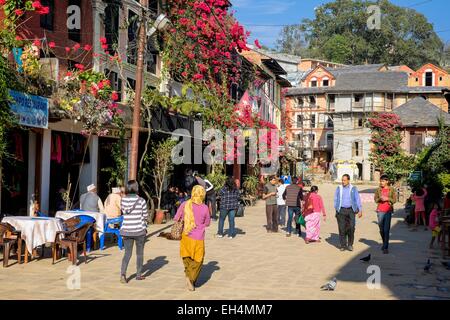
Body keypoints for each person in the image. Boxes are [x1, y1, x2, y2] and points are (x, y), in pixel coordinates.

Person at [174, 185, 211, 291]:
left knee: (187, 257)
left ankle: (188, 276)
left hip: (186, 236)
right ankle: (191, 278)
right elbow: (207, 223)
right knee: (198, 260)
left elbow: (176, 218)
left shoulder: (184, 204)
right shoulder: (205, 208)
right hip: (198, 238)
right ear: (202, 194)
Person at [120, 180, 148, 283]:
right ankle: (138, 275)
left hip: (126, 230)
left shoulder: (122, 200)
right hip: (139, 231)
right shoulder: (141, 201)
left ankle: (123, 274)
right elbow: (145, 216)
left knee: (127, 253)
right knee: (139, 254)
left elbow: (123, 212)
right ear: (136, 188)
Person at [334, 174, 362, 252]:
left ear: (348, 180)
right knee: (342, 228)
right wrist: (336, 208)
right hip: (341, 210)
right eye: (342, 180)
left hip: (351, 210)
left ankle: (350, 244)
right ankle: (343, 245)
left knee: (351, 227)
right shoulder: (339, 188)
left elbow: (357, 199)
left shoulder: (353, 188)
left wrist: (360, 209)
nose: (343, 182)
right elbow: (335, 198)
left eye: (345, 180)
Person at [374, 175, 397, 254]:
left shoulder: (392, 189)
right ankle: (384, 242)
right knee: (381, 229)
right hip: (380, 210)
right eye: (380, 181)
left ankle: (386, 247)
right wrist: (380, 199)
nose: (381, 183)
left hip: (388, 211)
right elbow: (375, 199)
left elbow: (394, 200)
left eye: (383, 181)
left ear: (387, 181)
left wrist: (387, 199)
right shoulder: (378, 190)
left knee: (386, 229)